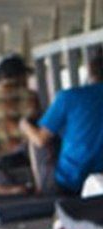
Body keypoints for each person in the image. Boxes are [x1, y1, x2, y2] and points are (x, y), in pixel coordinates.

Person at [21, 54, 103, 195]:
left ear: (90, 72)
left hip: (70, 180)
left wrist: (24, 125)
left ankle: (39, 190)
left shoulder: (68, 97)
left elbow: (40, 140)